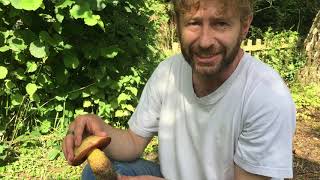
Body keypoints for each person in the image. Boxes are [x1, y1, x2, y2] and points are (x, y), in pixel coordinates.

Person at [62, 0, 296, 179]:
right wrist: (100, 130)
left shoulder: (266, 96)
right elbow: (133, 142)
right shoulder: (168, 72)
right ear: (177, 24)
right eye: (194, 23)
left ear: (244, 26)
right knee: (96, 172)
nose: (205, 41)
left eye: (220, 23)